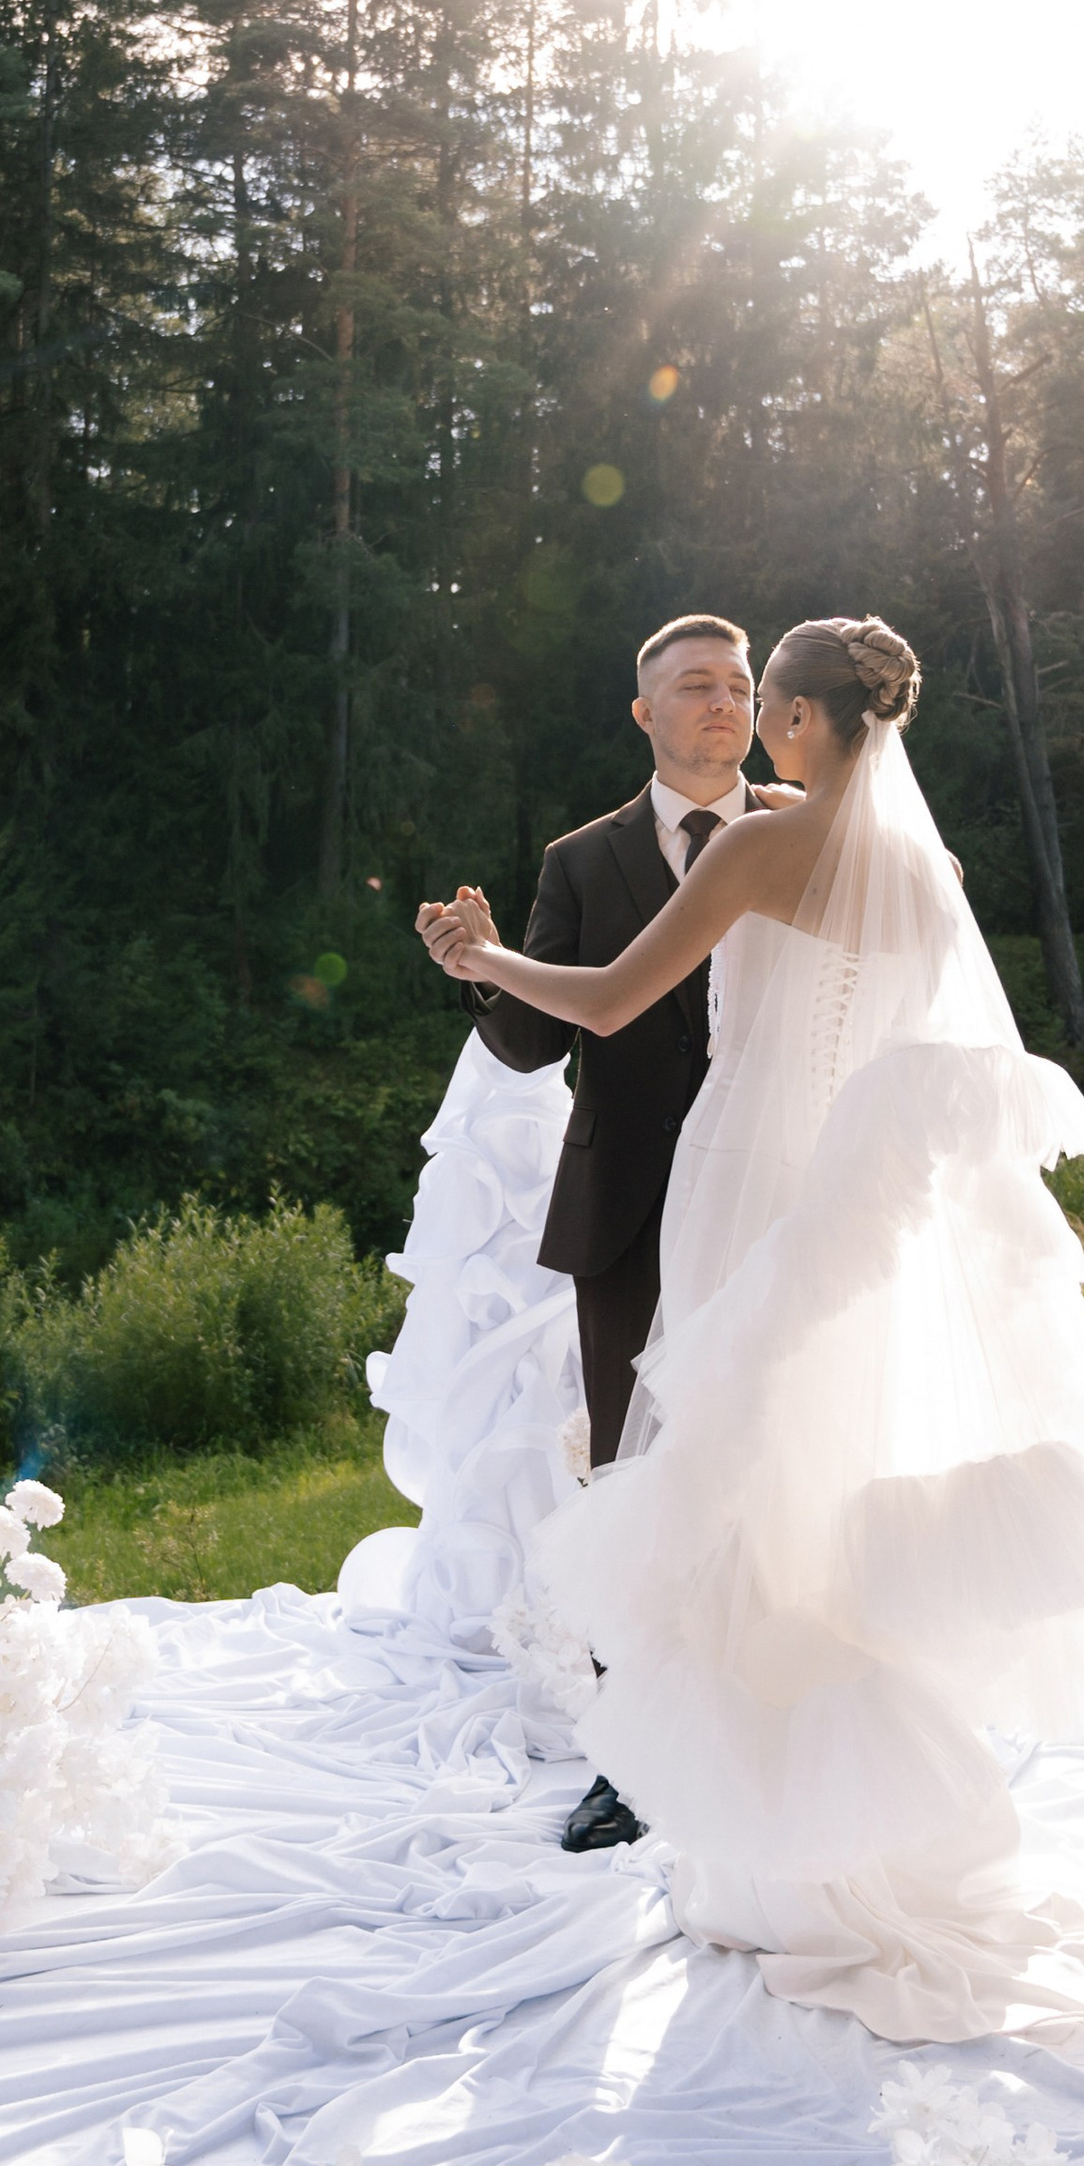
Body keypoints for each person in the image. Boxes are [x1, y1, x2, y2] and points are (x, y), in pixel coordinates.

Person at [419, 615, 1084, 2044]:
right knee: (820, 1493)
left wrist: (491, 959)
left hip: (742, 1184)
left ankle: (767, 1851)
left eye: (762, 697)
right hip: (844, 1202)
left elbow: (610, 1001)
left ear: (809, 720)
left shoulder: (761, 849)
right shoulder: (925, 869)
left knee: (735, 1503)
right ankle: (839, 1829)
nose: (748, 717)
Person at [445, 614, 767, 1851]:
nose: (720, 701)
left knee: (775, 1459)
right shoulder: (581, 860)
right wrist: (483, 968)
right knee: (630, 1477)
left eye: (737, 683)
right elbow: (534, 1043)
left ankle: (770, 1723)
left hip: (775, 1202)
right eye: (693, 685)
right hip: (626, 1206)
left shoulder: (805, 833)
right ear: (643, 711)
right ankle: (628, 1758)